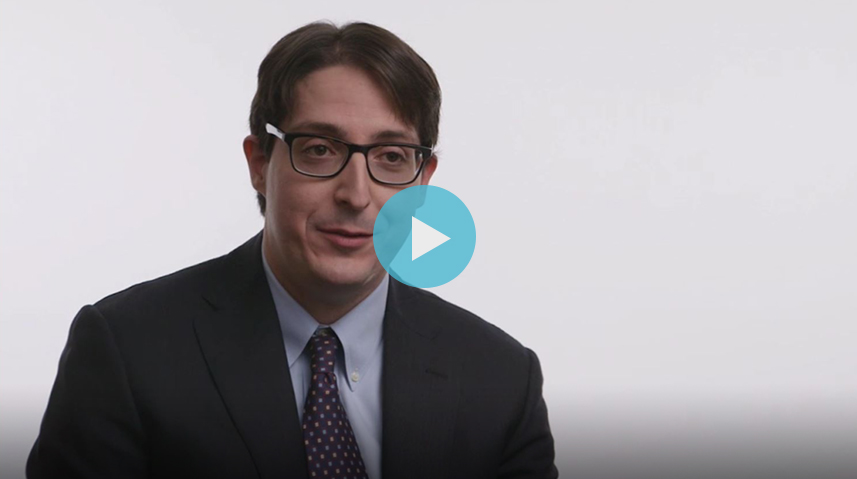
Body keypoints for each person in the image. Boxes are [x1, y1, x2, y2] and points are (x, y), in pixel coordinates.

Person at [26, 21, 558, 479]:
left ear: (423, 182)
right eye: (320, 149)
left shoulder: (502, 381)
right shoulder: (126, 351)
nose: (356, 195)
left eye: (392, 157)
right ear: (260, 163)